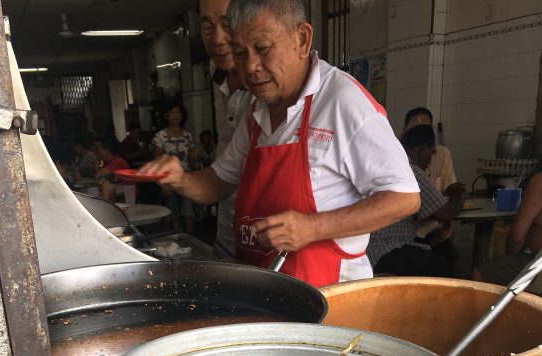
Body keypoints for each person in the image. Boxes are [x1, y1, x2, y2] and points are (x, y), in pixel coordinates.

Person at [140, 0, 419, 287]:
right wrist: (180, 179)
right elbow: (219, 181)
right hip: (262, 286)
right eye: (239, 53)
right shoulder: (254, 106)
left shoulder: (343, 102)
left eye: (262, 49)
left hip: (327, 297)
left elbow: (404, 197)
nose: (250, 66)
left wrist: (313, 227)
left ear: (302, 39)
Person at [367, 124, 466, 277]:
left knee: (445, 251)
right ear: (421, 149)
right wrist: (461, 191)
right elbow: (447, 212)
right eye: (431, 153)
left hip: (372, 247)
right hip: (387, 247)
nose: (431, 160)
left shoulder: (386, 164)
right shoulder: (410, 170)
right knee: (446, 269)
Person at [199, 0, 253, 258]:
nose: (218, 39)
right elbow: (224, 174)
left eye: (228, 24)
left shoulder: (271, 86)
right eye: (207, 26)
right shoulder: (216, 72)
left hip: (263, 246)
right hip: (226, 232)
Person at [403, 106, 458, 262]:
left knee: (448, 255)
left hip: (431, 229)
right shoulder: (403, 162)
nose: (420, 128)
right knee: (439, 264)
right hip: (407, 233)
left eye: (425, 125)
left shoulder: (441, 154)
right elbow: (446, 209)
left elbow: (449, 191)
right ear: (405, 129)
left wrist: (448, 226)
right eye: (415, 124)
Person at [473, 171, 542, 296]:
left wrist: (510, 255)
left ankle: (488, 314)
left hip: (537, 262)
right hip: (534, 258)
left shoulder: (539, 182)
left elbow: (516, 237)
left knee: (480, 274)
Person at [152, 99, 196, 235]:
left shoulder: (188, 135)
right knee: (174, 214)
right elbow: (157, 162)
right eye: (171, 112)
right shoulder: (160, 136)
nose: (175, 115)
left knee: (189, 213)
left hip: (186, 179)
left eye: (178, 112)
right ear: (166, 116)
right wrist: (162, 183)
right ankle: (180, 244)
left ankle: (192, 244)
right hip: (169, 180)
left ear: (182, 115)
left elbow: (191, 160)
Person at [94, 135, 130, 202]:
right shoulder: (108, 162)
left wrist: (97, 162)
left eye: (98, 149)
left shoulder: (118, 161)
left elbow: (98, 175)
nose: (96, 152)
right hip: (119, 196)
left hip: (128, 198)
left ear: (106, 150)